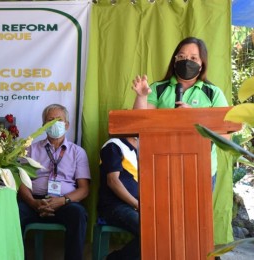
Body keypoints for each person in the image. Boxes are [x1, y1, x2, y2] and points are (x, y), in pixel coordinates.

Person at [131, 36, 229, 189]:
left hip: (201, 169)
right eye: (181, 57)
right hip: (161, 166)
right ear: (174, 61)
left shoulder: (213, 93)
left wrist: (195, 119)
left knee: (196, 214)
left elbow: (226, 137)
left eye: (193, 58)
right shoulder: (158, 88)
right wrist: (142, 96)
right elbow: (139, 124)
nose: (186, 61)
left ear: (202, 64)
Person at [18, 104, 90, 260]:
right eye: (50, 120)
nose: (55, 123)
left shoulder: (78, 152)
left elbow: (84, 189)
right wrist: (33, 203)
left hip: (64, 203)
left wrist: (63, 201)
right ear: (44, 125)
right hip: (35, 201)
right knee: (13, 213)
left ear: (67, 125)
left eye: (59, 120)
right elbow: (22, 182)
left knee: (78, 214)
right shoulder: (30, 150)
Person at [98, 137, 140, 260]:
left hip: (133, 207)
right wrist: (138, 205)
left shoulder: (140, 150)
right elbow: (112, 181)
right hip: (114, 206)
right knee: (148, 230)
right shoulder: (114, 145)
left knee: (162, 227)